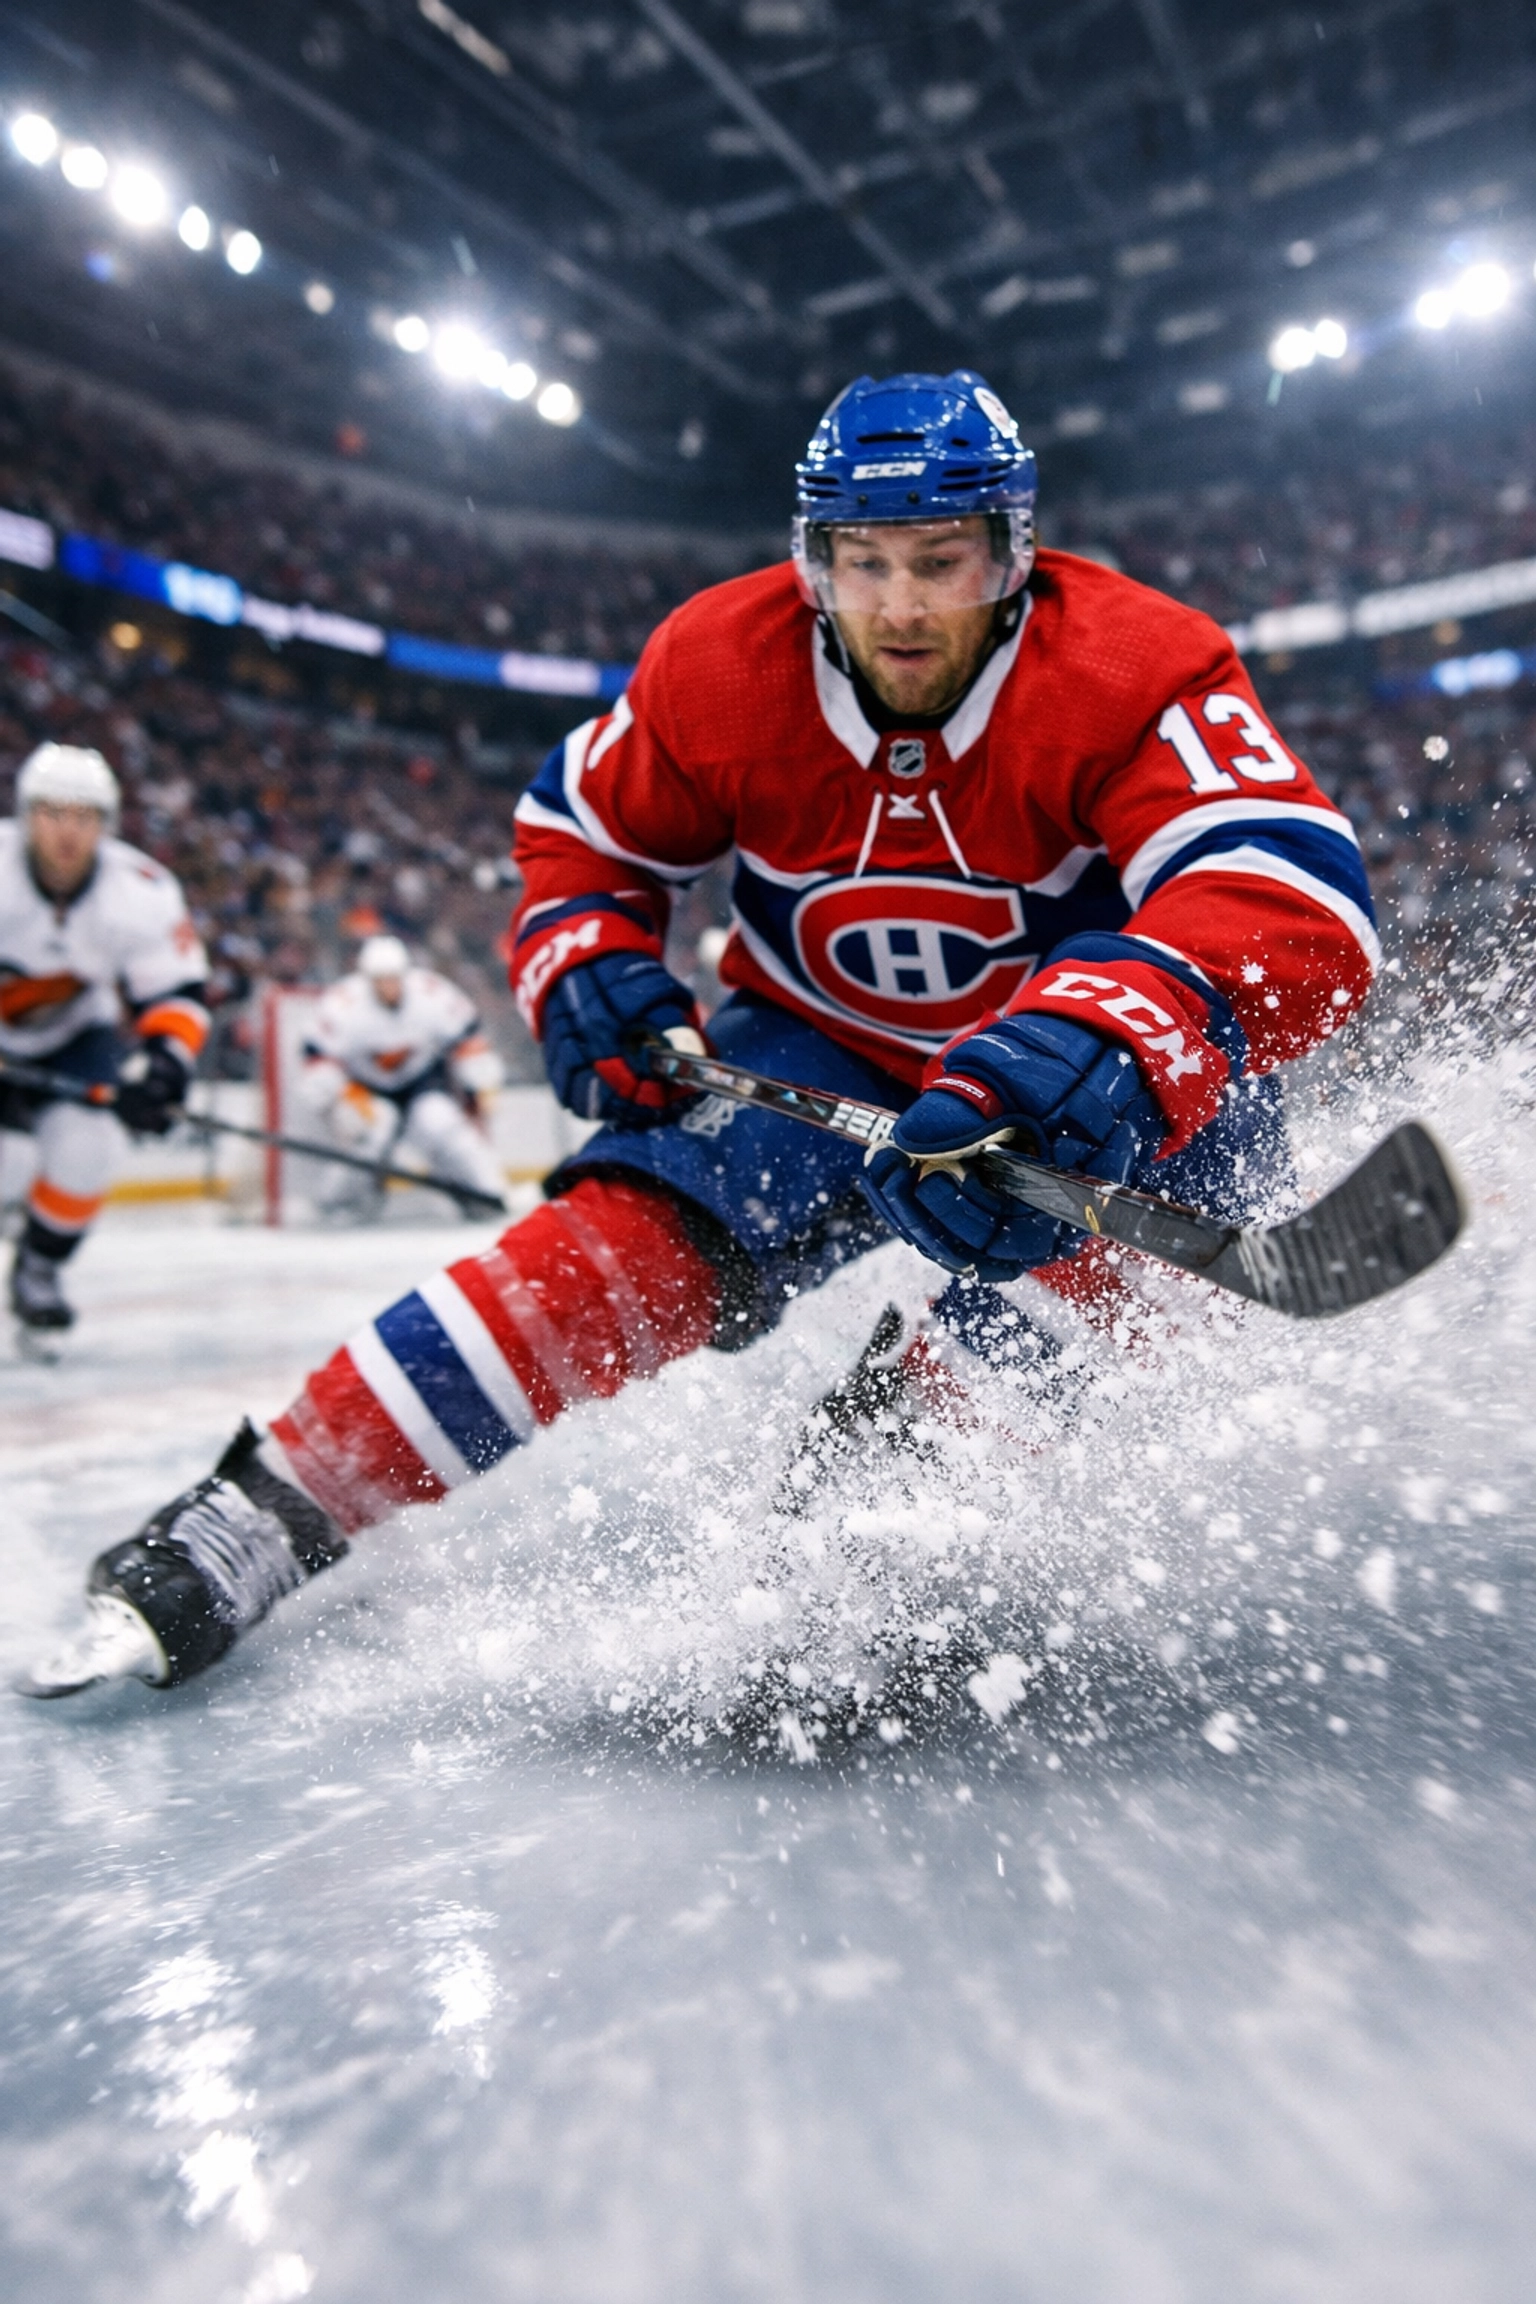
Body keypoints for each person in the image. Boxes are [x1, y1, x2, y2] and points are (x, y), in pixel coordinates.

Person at [23, 371, 1379, 1696]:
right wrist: (591, 962)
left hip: (1080, 1084)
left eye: (941, 559)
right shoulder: (718, 667)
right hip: (815, 1047)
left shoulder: (1134, 662)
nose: (901, 607)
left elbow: (1294, 889)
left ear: (1013, 554)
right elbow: (579, 842)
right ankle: (260, 1512)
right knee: (611, 1251)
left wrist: (1118, 1046)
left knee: (1081, 1302)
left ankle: (879, 1488)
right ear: (813, 563)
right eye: (864, 561)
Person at [0, 742, 208, 1337]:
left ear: (106, 824)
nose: (67, 832)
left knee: (89, 1149)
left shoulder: (140, 890)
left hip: (73, 1036)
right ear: (26, 815)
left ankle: (39, 1268)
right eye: (52, 813)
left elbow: (175, 993)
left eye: (83, 817)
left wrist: (165, 1068)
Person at [299, 935, 509, 1220]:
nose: (388, 986)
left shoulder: (433, 993)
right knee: (370, 1131)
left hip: (421, 1084)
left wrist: (479, 1078)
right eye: (380, 979)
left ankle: (485, 1193)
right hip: (364, 1088)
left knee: (442, 1124)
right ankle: (341, 1202)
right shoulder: (342, 1004)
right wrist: (339, 1100)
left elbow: (468, 1037)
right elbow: (318, 1058)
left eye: (393, 978)